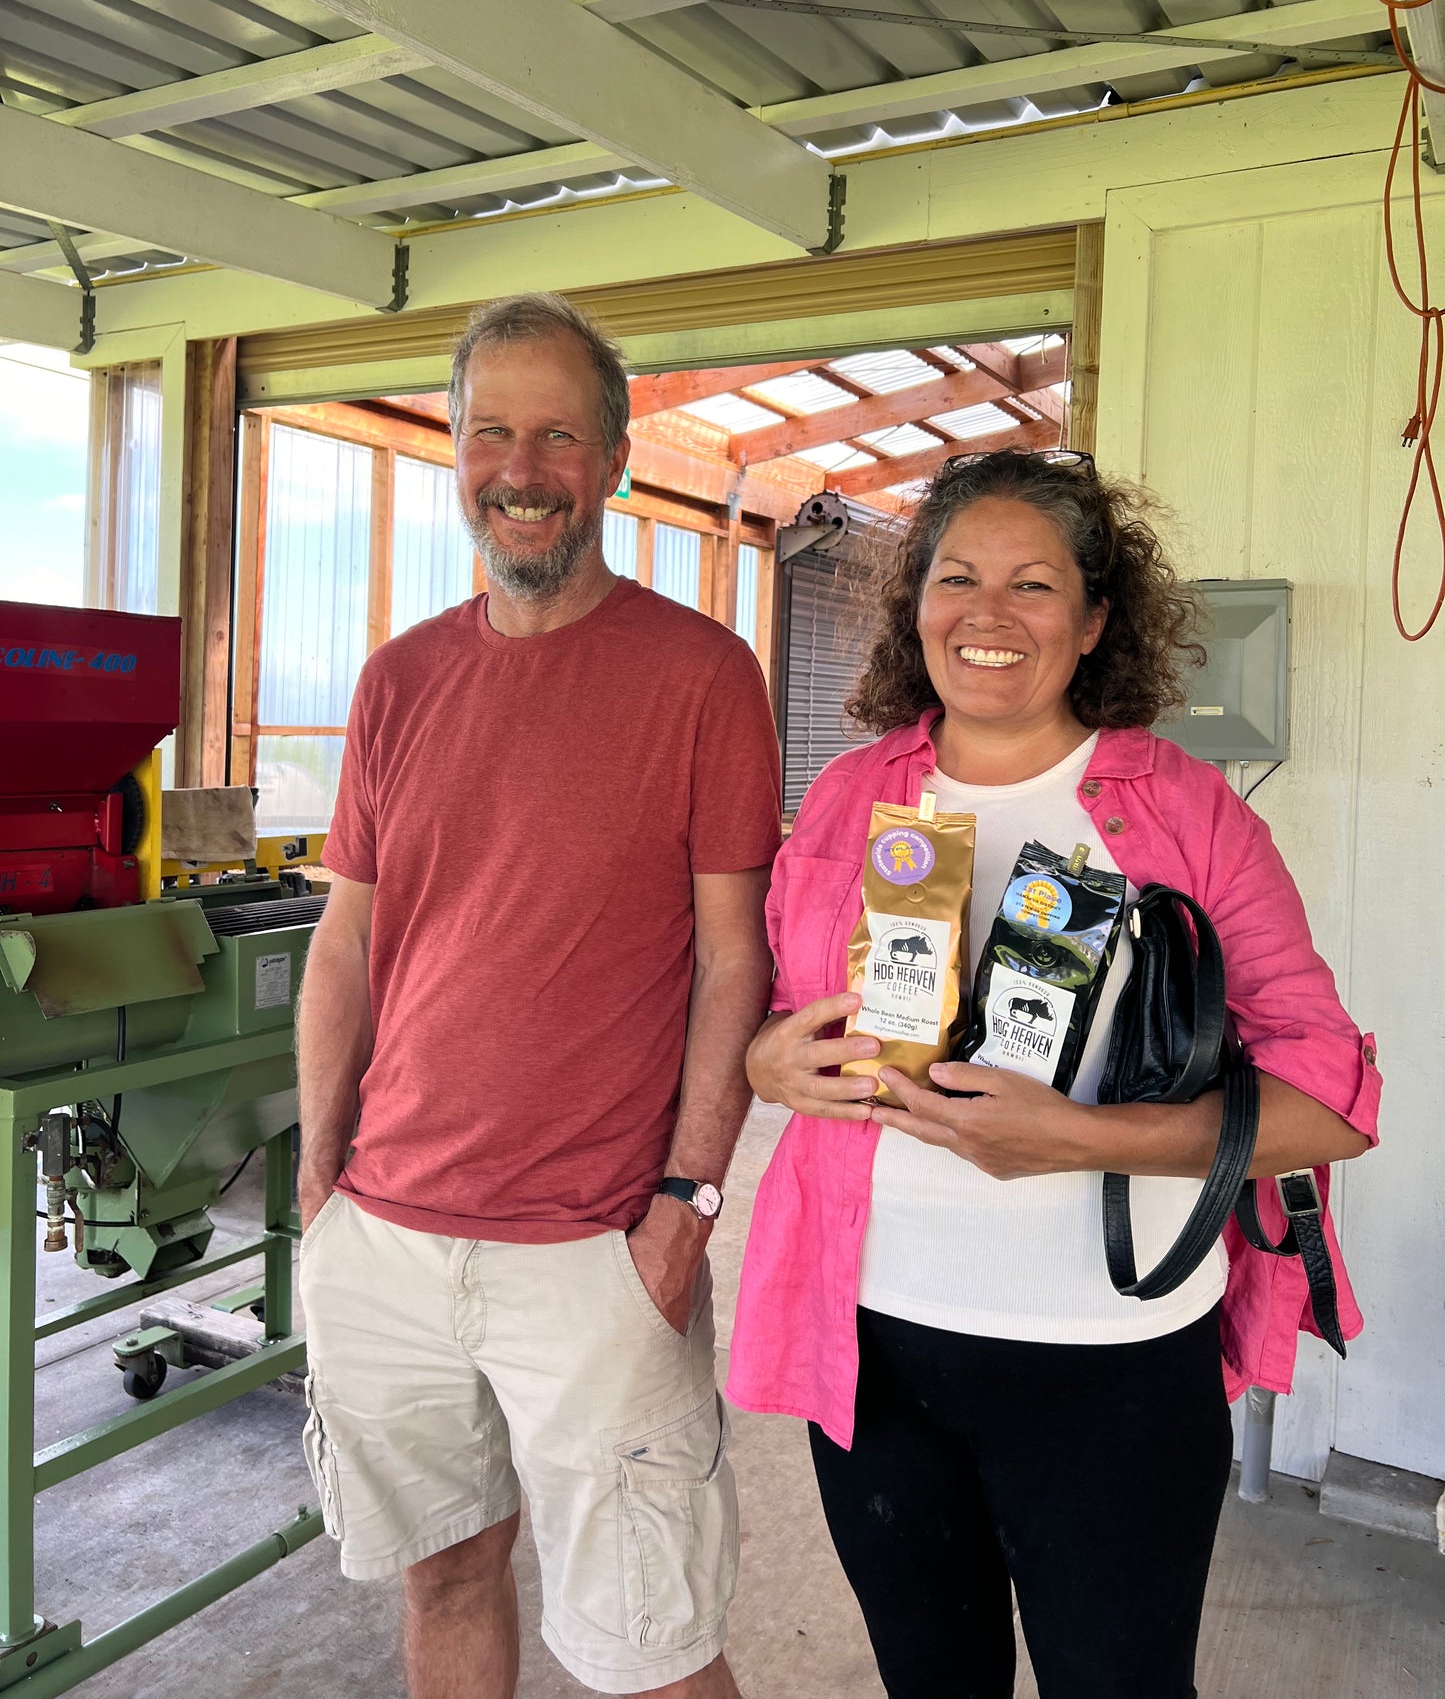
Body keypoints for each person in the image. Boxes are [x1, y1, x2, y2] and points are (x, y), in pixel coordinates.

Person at [727, 448, 1380, 1699]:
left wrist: (1086, 1139)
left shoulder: (1185, 814)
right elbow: (774, 1019)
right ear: (913, 602)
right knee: (931, 1681)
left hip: (1111, 1359)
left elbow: (1332, 1106)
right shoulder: (852, 795)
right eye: (956, 577)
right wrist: (771, 1060)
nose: (987, 613)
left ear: (1091, 622)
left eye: (1033, 585)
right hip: (870, 1344)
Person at [296, 293, 780, 1699]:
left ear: (615, 457)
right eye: (491, 430)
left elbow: (730, 956)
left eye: (558, 433)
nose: (523, 466)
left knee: (653, 1644)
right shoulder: (399, 679)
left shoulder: (702, 674)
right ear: (455, 448)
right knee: (445, 1573)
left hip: (595, 1247)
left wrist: (688, 1205)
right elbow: (350, 938)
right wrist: (324, 1178)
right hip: (385, 1235)